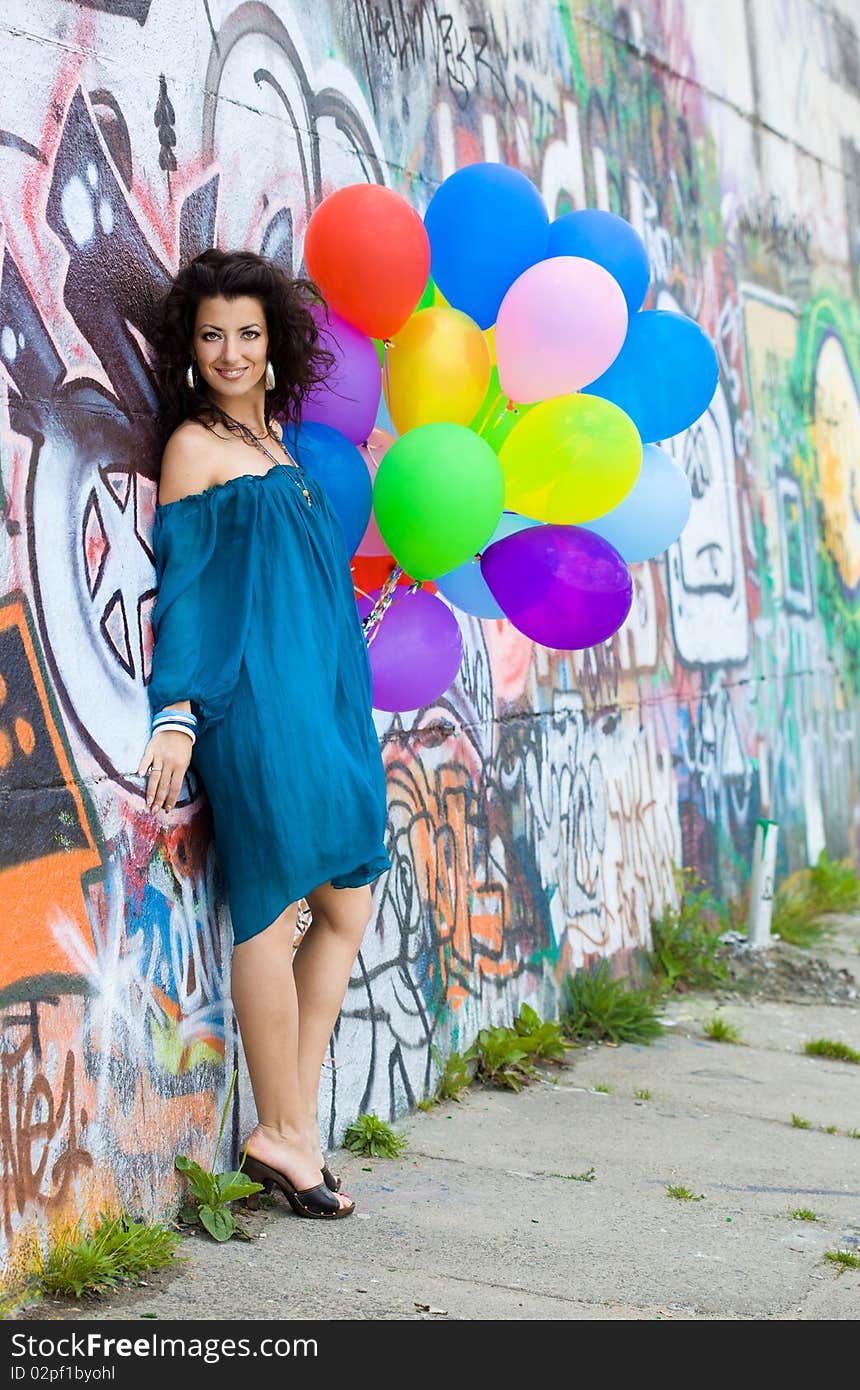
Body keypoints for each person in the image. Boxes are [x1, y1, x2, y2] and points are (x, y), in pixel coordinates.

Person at [142, 247, 391, 1219]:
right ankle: (286, 1134)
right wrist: (178, 713)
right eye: (213, 335)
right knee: (273, 905)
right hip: (255, 704)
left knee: (346, 905)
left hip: (323, 698)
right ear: (190, 349)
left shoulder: (282, 449)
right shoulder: (193, 449)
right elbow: (191, 590)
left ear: (274, 342)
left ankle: (288, 1124)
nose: (232, 350)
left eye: (248, 331)